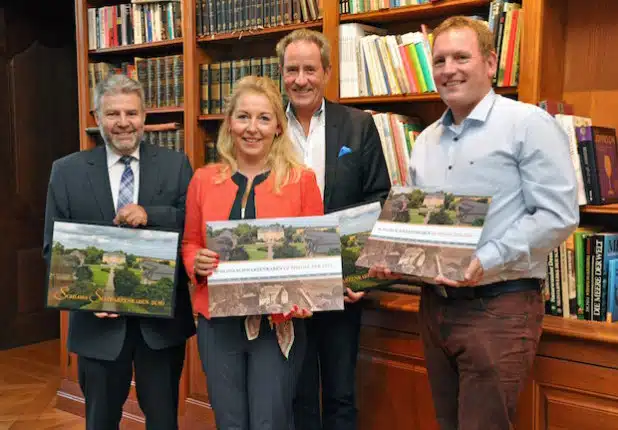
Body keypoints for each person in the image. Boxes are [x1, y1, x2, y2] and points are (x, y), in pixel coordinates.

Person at [370, 16, 579, 430]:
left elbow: (558, 215)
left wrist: (486, 259)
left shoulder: (527, 125)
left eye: (461, 57)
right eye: (441, 60)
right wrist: (392, 257)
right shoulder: (427, 139)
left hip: (498, 307)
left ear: (490, 62)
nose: (449, 69)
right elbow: (419, 222)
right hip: (433, 308)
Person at [42, 74, 195, 430]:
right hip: (97, 329)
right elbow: (53, 248)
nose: (123, 123)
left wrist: (150, 215)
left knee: (163, 421)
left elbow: (192, 227)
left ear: (145, 116)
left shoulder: (176, 166)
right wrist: (89, 297)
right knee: (100, 422)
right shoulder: (67, 172)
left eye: (131, 113)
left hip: (160, 328)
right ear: (97, 117)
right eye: (113, 114)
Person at [181, 75, 321, 430]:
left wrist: (306, 296)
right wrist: (194, 262)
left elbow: (314, 256)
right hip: (218, 325)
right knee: (229, 422)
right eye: (243, 117)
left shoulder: (301, 180)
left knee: (269, 422)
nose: (252, 128)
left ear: (277, 126)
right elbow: (190, 243)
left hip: (277, 325)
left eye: (263, 118)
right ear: (229, 122)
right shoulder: (203, 179)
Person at [276, 29, 391, 430]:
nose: (301, 79)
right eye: (292, 70)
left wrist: (365, 277)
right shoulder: (268, 127)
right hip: (287, 286)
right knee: (297, 394)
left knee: (341, 394)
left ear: (326, 72)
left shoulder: (358, 126)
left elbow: (378, 200)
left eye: (310, 69)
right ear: (282, 73)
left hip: (343, 287)